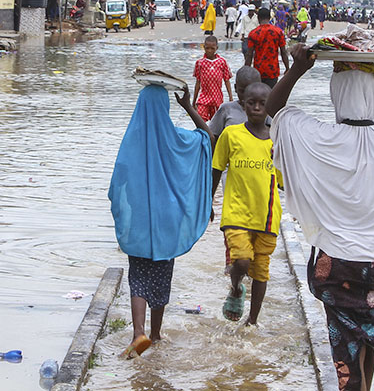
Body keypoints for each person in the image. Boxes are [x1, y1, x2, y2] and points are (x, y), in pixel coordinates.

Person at [266, 45, 374, 391]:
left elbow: (275, 111)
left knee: (346, 349)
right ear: (372, 94)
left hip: (337, 268)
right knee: (369, 343)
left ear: (336, 94)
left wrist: (297, 70)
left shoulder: (318, 138)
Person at [109, 83, 213, 358]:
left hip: (141, 222)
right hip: (169, 221)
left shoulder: (133, 140)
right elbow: (207, 137)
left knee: (138, 279)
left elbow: (120, 179)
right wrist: (189, 107)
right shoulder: (177, 139)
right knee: (161, 277)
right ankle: (155, 334)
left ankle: (138, 333)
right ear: (166, 108)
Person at [207, 81, 281, 326]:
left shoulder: (276, 141)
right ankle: (237, 287)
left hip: (267, 216)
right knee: (240, 261)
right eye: (252, 103)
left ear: (270, 107)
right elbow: (217, 168)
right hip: (236, 212)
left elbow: (284, 180)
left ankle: (252, 320)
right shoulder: (231, 134)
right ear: (244, 105)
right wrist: (208, 200)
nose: (257, 108)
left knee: (261, 270)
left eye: (263, 104)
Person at [207, 66, 272, 274]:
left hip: (258, 176)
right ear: (236, 89)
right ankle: (233, 262)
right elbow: (211, 136)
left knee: (255, 217)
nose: (249, 99)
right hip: (232, 173)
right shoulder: (227, 110)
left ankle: (250, 262)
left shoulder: (266, 112)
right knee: (235, 217)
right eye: (244, 91)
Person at [245, 7, 290, 87]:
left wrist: (246, 71)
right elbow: (283, 52)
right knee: (271, 96)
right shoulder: (278, 32)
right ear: (269, 18)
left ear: (258, 18)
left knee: (259, 96)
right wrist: (287, 68)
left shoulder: (253, 33)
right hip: (273, 70)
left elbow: (249, 55)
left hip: (258, 71)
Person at [192, 35, 233, 122]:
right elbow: (198, 83)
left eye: (212, 48)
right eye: (207, 48)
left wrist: (230, 98)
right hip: (203, 99)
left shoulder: (222, 62)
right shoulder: (200, 63)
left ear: (216, 48)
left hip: (217, 99)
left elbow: (226, 80)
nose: (209, 51)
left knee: (216, 123)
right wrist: (194, 100)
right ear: (204, 47)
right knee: (200, 121)